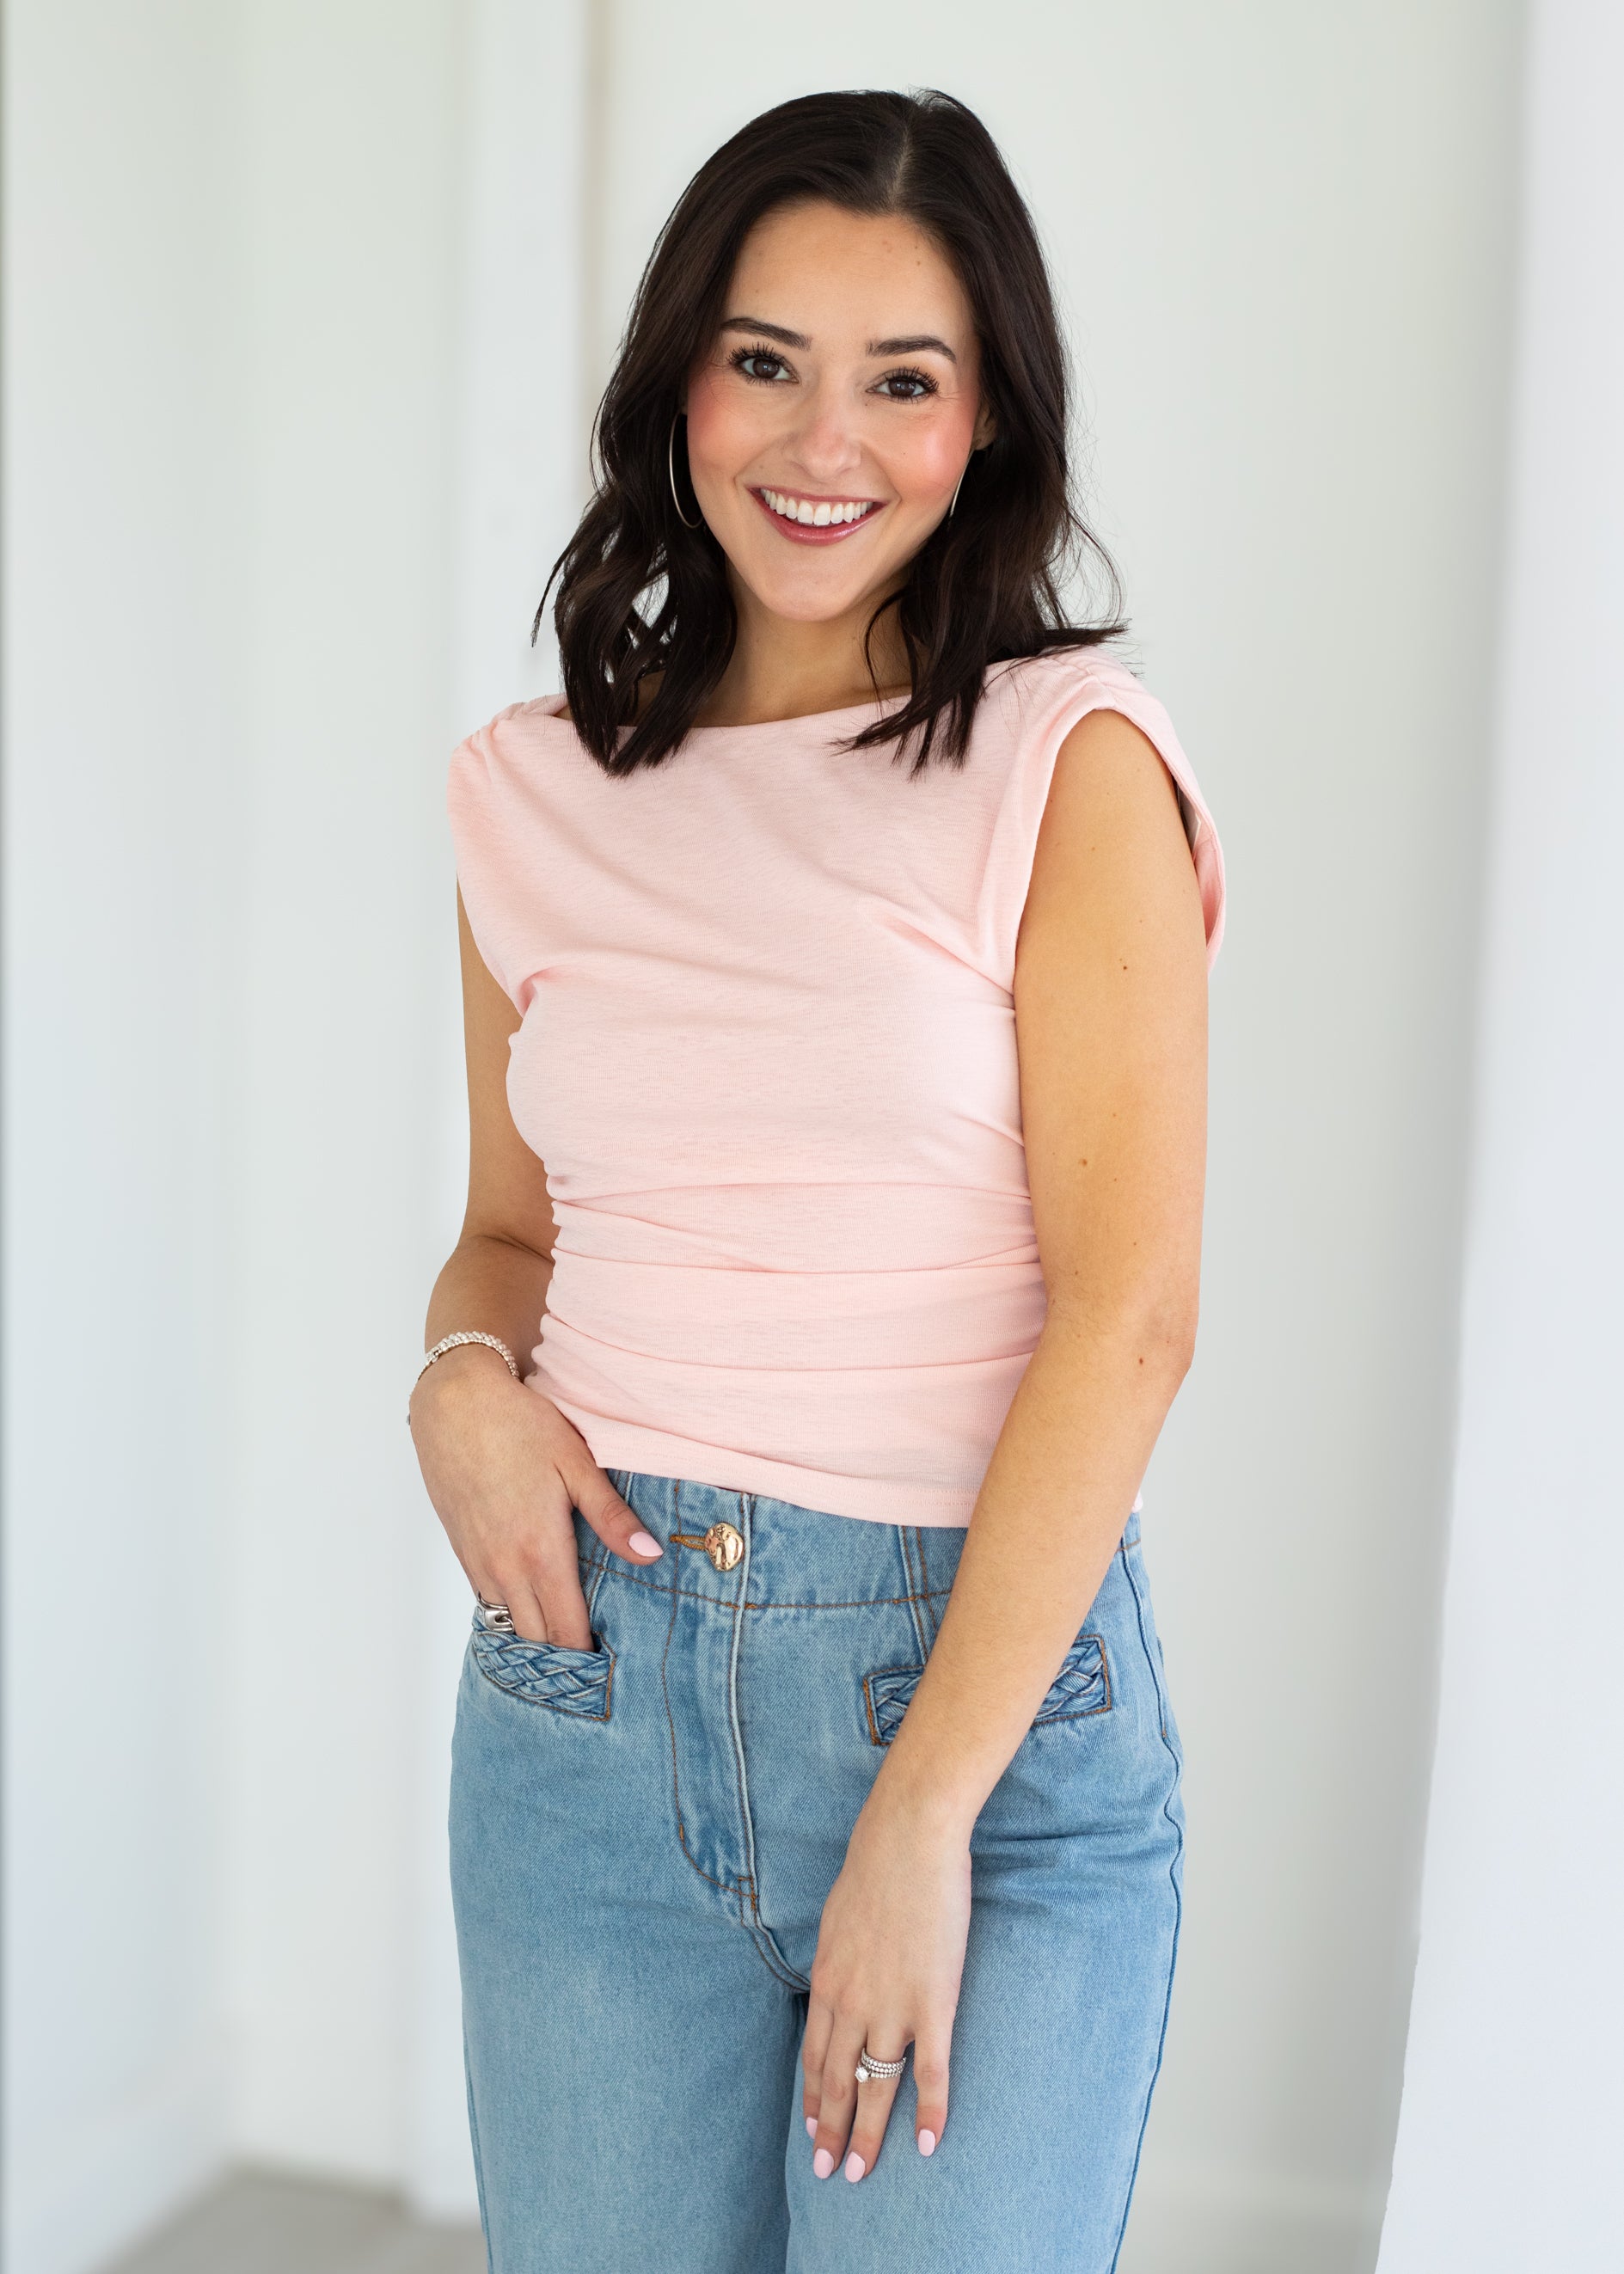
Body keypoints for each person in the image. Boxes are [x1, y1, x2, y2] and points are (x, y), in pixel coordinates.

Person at [408, 86, 1224, 2274]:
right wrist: (456, 1380)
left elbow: (1130, 1312)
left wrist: (922, 1813)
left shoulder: (1071, 765)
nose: (820, 439)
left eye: (904, 378)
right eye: (765, 359)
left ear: (987, 427)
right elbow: (511, 1227)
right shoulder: (532, 794)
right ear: (682, 378)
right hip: (588, 1711)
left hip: (976, 1707)